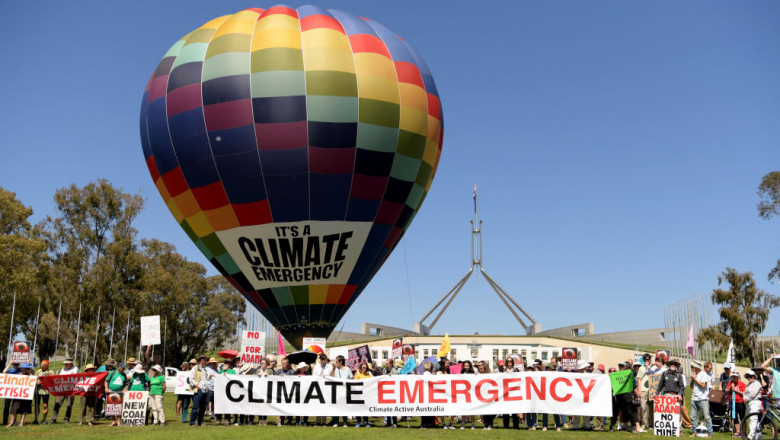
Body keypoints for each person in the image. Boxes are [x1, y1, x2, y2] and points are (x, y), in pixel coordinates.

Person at [49, 357, 78, 424]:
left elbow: (74, 378)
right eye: (65, 364)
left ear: (71, 364)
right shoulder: (63, 369)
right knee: (57, 403)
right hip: (62, 389)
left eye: (67, 364)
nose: (65, 365)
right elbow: (60, 378)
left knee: (69, 405)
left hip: (71, 390)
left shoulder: (75, 369)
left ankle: (67, 419)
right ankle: (53, 419)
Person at [688, 360, 713, 437]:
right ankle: (694, 431)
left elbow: (703, 386)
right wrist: (693, 379)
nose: (691, 368)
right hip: (694, 398)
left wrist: (695, 379)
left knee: (706, 416)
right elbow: (691, 387)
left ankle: (710, 432)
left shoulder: (703, 374)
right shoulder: (695, 375)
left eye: (692, 366)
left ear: (697, 367)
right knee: (693, 416)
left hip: (703, 398)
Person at [329, 355, 353, 427]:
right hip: (337, 391)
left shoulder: (347, 369)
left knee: (344, 407)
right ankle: (336, 422)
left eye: (337, 362)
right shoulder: (336, 369)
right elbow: (331, 376)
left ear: (341, 362)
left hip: (345, 390)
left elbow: (352, 378)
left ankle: (345, 422)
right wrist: (333, 369)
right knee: (336, 406)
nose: (336, 363)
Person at [311, 354, 332, 426]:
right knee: (318, 405)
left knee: (325, 405)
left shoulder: (329, 367)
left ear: (326, 359)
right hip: (318, 388)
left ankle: (323, 421)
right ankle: (317, 421)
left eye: (324, 359)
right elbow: (313, 376)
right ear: (319, 359)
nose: (323, 361)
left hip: (326, 388)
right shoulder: (317, 366)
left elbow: (332, 376)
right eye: (322, 359)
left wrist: (326, 376)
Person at [188, 355, 210, 426]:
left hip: (205, 390)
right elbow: (191, 378)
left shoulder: (205, 369)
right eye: (206, 360)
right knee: (195, 406)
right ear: (202, 360)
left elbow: (205, 379)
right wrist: (197, 385)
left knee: (203, 407)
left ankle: (200, 422)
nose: (207, 361)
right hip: (199, 389)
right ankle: (192, 422)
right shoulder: (195, 368)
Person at [275, 357, 295, 427]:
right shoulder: (278, 372)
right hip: (280, 392)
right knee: (279, 407)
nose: (283, 364)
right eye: (282, 363)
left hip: (288, 393)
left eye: (284, 363)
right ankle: (279, 421)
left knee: (288, 406)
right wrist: (277, 377)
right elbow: (273, 381)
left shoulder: (291, 372)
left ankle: (289, 420)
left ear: (287, 364)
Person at [743, 370, 763, 440]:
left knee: (753, 419)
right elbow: (744, 392)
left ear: (754, 376)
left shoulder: (757, 383)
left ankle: (751, 436)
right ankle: (759, 435)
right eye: (747, 377)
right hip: (749, 403)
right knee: (755, 420)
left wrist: (747, 398)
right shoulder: (749, 384)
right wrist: (744, 398)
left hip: (755, 403)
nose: (749, 378)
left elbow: (753, 394)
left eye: (750, 376)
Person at [105, 362, 126, 426]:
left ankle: (119, 421)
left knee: (119, 407)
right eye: (122, 368)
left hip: (120, 392)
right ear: (118, 367)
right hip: (111, 391)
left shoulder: (124, 374)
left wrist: (124, 389)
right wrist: (106, 388)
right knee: (111, 407)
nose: (123, 369)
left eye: (124, 368)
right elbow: (106, 380)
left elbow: (125, 383)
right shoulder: (112, 373)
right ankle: (113, 421)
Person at [725, 371, 746, 437]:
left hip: (740, 402)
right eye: (733, 377)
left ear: (738, 377)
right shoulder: (730, 383)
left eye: (735, 377)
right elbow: (726, 391)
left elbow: (744, 393)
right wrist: (730, 388)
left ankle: (744, 432)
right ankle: (738, 431)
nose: (734, 378)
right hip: (732, 402)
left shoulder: (742, 384)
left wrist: (736, 390)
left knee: (742, 417)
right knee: (734, 416)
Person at [502, 357, 520, 429]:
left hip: (514, 392)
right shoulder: (503, 370)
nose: (509, 362)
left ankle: (516, 426)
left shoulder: (516, 370)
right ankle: (506, 426)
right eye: (508, 361)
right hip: (506, 392)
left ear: (512, 362)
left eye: (510, 361)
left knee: (515, 410)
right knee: (505, 410)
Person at [33, 359, 52, 425]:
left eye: (43, 365)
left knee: (45, 405)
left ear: (47, 366)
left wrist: (42, 382)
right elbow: (34, 378)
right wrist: (36, 382)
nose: (42, 366)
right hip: (37, 391)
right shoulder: (38, 371)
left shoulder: (50, 371)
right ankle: (36, 419)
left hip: (45, 391)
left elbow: (51, 380)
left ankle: (44, 420)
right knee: (37, 405)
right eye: (41, 364)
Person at [354, 362, 372, 427]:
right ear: (361, 368)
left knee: (365, 409)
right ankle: (358, 422)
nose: (364, 369)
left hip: (366, 394)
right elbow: (354, 383)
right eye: (363, 367)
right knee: (358, 408)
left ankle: (366, 421)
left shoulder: (369, 376)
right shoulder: (358, 375)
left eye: (365, 367)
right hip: (359, 394)